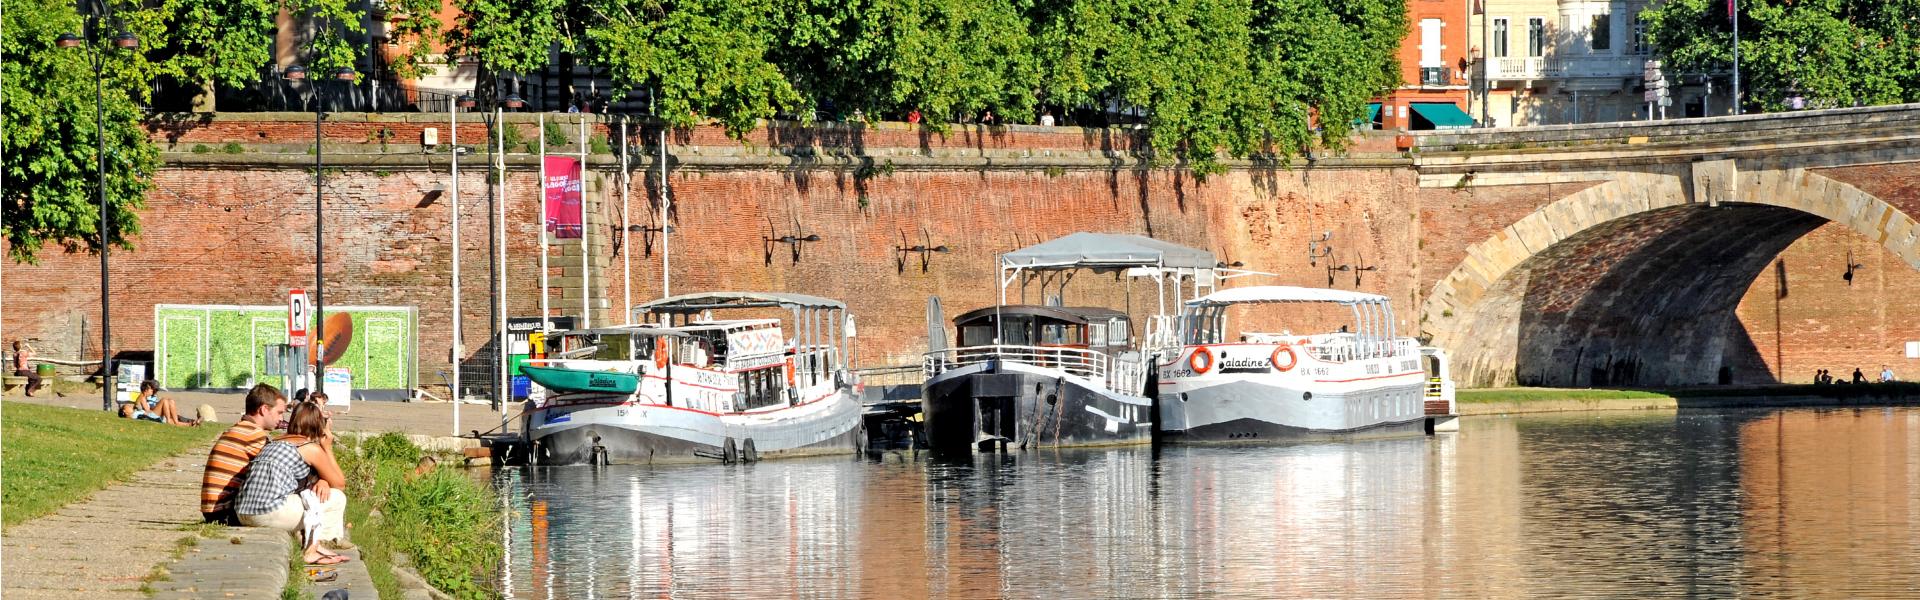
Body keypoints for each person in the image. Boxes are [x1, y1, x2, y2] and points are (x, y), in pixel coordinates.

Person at [235, 400, 351, 565]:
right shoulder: (310, 447)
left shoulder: (275, 442)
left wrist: (323, 481)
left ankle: (311, 543)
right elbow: (339, 484)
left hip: (242, 512)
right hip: (267, 513)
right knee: (337, 497)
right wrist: (328, 447)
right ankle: (319, 546)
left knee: (309, 496)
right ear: (319, 427)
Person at [202, 384, 288, 524]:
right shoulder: (253, 434)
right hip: (225, 511)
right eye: (279, 412)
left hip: (214, 510)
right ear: (264, 409)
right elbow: (281, 466)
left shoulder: (241, 429)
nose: (281, 418)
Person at [127, 379, 195, 426]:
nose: (152, 391)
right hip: (150, 415)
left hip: (152, 414)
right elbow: (147, 412)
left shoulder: (144, 397)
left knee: (170, 401)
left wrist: (159, 408)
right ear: (146, 390)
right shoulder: (142, 397)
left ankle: (189, 424)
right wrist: (159, 408)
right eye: (151, 390)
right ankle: (169, 420)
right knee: (164, 400)